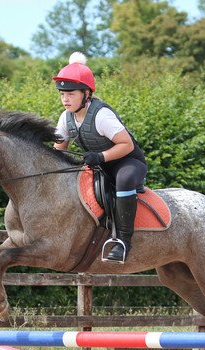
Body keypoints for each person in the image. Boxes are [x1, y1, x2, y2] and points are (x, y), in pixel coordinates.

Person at [52, 52, 147, 263]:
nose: (65, 99)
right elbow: (59, 149)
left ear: (86, 93)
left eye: (71, 94)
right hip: (99, 165)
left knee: (123, 179)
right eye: (62, 94)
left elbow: (127, 145)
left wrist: (100, 156)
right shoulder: (65, 117)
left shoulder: (101, 115)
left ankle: (123, 242)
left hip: (127, 162)